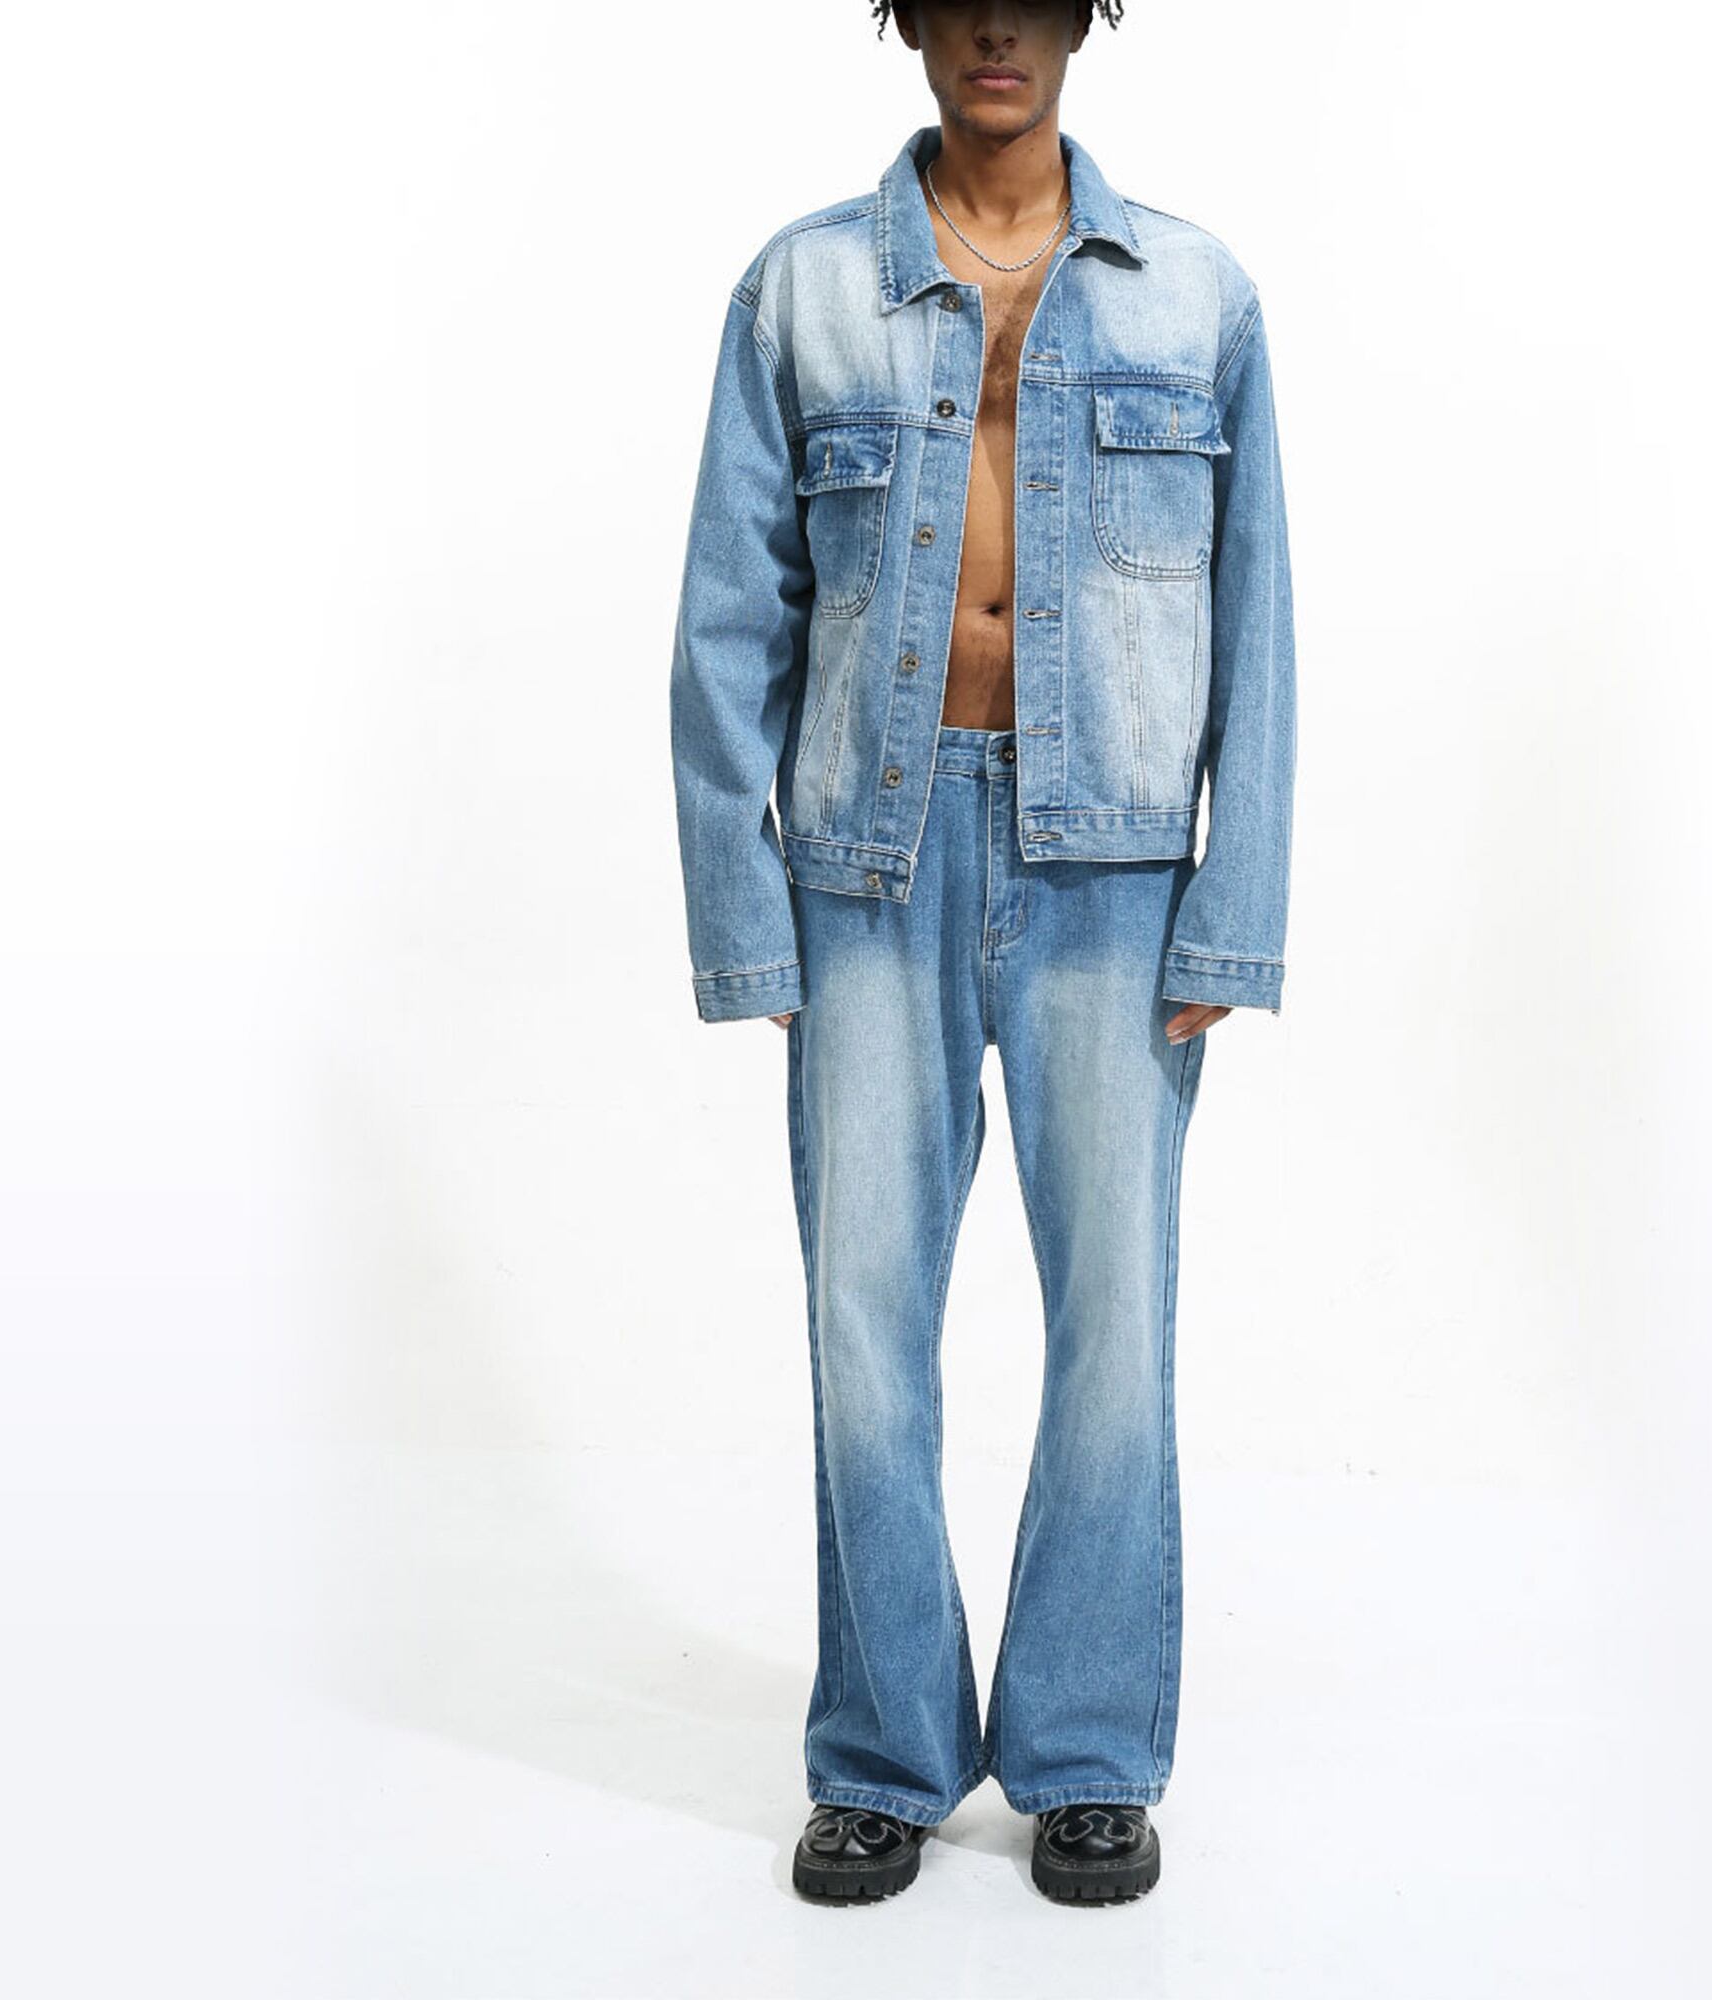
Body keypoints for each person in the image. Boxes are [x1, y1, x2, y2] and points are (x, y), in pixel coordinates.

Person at [669, 0, 1295, 1904]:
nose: (1000, 21)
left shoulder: (1198, 295)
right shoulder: (800, 291)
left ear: (1090, 12)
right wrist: (746, 914)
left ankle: (1088, 1749)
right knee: (865, 1320)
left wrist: (1235, 908)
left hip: (1116, 868)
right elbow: (726, 620)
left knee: (1117, 1323)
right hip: (871, 865)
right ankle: (884, 1751)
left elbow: (1260, 620)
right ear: (912, 16)